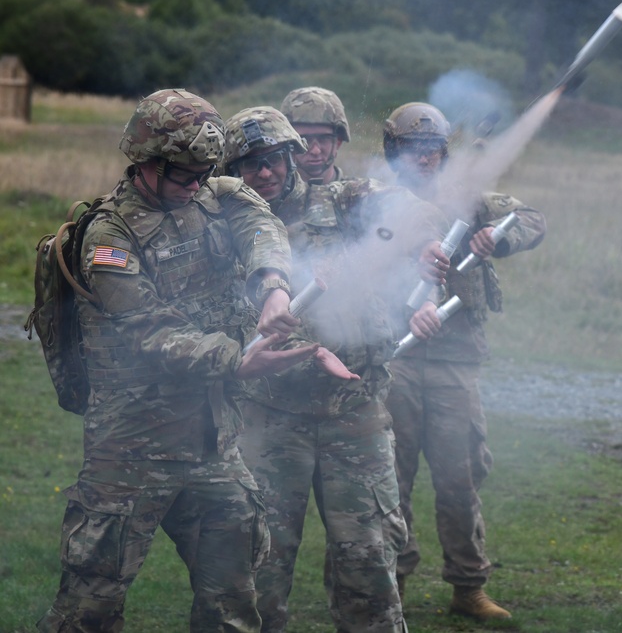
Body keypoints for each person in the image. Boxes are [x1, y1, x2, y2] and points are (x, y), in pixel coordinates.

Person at [36, 88, 343, 633]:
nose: (196, 184)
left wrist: (273, 286)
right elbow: (147, 332)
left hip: (212, 444)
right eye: (184, 175)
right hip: (130, 451)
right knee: (90, 604)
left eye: (204, 171)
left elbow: (262, 227)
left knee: (233, 602)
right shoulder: (109, 236)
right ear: (147, 164)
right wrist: (237, 361)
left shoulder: (217, 193)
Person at [224, 103, 448, 633]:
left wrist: (428, 246)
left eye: (275, 158)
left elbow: (409, 210)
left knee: (370, 559)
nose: (265, 172)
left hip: (354, 412)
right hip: (270, 416)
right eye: (250, 162)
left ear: (291, 157)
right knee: (256, 564)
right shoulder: (222, 221)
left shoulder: (344, 198)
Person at [383, 102, 546, 620]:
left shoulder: (468, 198)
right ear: (394, 152)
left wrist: (496, 238)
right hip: (395, 358)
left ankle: (468, 588)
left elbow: (532, 219)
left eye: (432, 150)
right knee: (392, 478)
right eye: (413, 150)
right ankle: (393, 584)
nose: (424, 160)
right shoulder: (374, 202)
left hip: (454, 361)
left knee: (460, 476)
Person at [279, 86, 351, 185]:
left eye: (324, 139)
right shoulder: (267, 197)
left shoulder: (361, 195)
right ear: (288, 144)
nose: (315, 151)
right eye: (304, 140)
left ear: (338, 142)